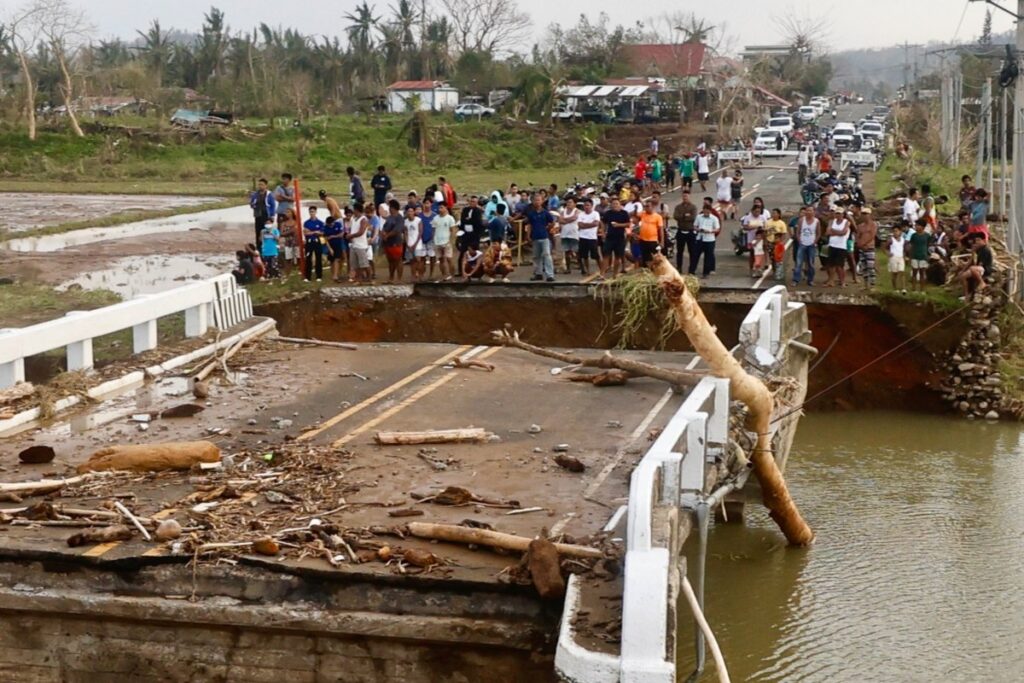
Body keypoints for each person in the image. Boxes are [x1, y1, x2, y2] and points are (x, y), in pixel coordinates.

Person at [525, 194, 555, 282]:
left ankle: (550, 275)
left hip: (544, 237)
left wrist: (548, 228)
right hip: (535, 237)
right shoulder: (531, 214)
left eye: (539, 200)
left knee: (547, 255)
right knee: (536, 256)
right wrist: (528, 235)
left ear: (542, 201)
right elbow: (529, 225)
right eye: (535, 200)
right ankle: (538, 273)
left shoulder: (545, 213)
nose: (537, 202)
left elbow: (552, 222)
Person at [602, 198, 630, 278]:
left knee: (617, 257)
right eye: (613, 204)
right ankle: (602, 274)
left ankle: (615, 274)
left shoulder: (624, 213)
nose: (615, 205)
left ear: (620, 205)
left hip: (620, 237)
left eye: (616, 204)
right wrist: (603, 232)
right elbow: (603, 222)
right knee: (606, 255)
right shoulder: (608, 213)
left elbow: (628, 224)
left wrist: (619, 225)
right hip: (610, 237)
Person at [958, 234, 993, 299]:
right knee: (963, 276)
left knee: (972, 268)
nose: (977, 242)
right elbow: (971, 261)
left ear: (983, 240)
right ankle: (967, 296)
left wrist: (972, 270)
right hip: (976, 268)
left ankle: (982, 282)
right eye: (976, 240)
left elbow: (980, 264)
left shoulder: (985, 250)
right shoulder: (978, 250)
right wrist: (963, 270)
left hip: (985, 269)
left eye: (978, 240)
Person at [792, 206, 819, 286]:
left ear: (814, 212)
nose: (808, 212)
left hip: (811, 244)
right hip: (802, 243)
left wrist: (815, 241)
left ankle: (810, 280)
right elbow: (798, 231)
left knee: (811, 263)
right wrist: (799, 240)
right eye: (807, 210)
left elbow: (818, 233)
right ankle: (796, 280)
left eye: (810, 210)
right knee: (799, 262)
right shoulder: (801, 220)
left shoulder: (817, 221)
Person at [691, 201, 720, 277]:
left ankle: (705, 273)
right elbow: (694, 226)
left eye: (708, 211)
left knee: (708, 257)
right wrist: (698, 229)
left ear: (710, 211)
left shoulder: (714, 218)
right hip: (700, 238)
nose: (706, 212)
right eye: (704, 210)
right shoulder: (699, 217)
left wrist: (710, 231)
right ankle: (692, 271)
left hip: (709, 240)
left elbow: (717, 229)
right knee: (695, 255)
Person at [823, 209, 850, 288]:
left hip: (841, 246)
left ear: (842, 214)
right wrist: (838, 232)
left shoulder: (846, 222)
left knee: (840, 266)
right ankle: (831, 281)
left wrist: (833, 231)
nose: (837, 215)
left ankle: (842, 282)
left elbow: (843, 232)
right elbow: (827, 232)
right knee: (831, 265)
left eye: (839, 213)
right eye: (836, 213)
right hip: (832, 245)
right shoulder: (832, 221)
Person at [673, 190, 698, 273]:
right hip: (680, 230)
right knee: (679, 251)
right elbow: (676, 216)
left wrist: (683, 217)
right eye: (683, 196)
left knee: (692, 251)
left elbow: (693, 217)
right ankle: (679, 267)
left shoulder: (693, 207)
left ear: (689, 196)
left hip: (690, 231)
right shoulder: (678, 207)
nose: (685, 198)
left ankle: (692, 269)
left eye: (686, 196)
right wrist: (685, 215)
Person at [458, 195, 485, 272]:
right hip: (466, 234)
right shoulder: (465, 210)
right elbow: (463, 220)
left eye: (474, 202)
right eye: (471, 201)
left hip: (474, 235)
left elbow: (477, 222)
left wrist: (469, 220)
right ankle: (461, 270)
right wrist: (468, 221)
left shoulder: (478, 211)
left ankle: (476, 270)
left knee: (475, 252)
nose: (472, 203)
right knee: (463, 252)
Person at [381, 199, 405, 282]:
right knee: (391, 261)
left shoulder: (399, 218)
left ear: (393, 208)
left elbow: (397, 230)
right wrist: (383, 233)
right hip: (388, 243)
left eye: (390, 207)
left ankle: (399, 278)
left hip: (396, 242)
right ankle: (391, 277)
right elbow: (385, 227)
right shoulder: (389, 217)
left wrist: (387, 235)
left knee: (398, 260)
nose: (389, 209)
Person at [348, 202, 372, 283]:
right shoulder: (354, 219)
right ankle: (359, 279)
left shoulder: (363, 219)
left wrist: (351, 236)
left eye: (354, 210)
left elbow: (361, 232)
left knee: (364, 264)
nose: (353, 211)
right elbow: (352, 229)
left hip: (361, 245)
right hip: (354, 245)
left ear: (356, 210)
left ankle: (369, 278)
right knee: (356, 265)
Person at [249, 178, 277, 250]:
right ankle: (259, 249)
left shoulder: (269, 194)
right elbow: (251, 204)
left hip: (266, 215)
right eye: (259, 185)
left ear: (266, 186)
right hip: (258, 215)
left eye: (262, 185)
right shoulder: (255, 194)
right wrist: (254, 205)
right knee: (258, 232)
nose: (260, 186)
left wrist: (272, 216)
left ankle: (268, 248)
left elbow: (273, 205)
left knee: (267, 232)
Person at [432, 203, 456, 281]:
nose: (440, 209)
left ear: (446, 208)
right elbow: (433, 230)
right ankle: (444, 275)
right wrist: (434, 240)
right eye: (439, 207)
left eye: (441, 207)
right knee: (441, 259)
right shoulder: (435, 218)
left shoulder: (450, 218)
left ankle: (452, 275)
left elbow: (453, 230)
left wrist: (451, 241)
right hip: (437, 242)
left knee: (449, 259)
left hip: (446, 242)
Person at [577, 198, 601, 276]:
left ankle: (601, 270)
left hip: (592, 237)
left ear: (591, 206)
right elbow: (580, 225)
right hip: (582, 237)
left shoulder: (595, 214)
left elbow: (596, 224)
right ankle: (588, 270)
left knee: (596, 255)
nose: (586, 207)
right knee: (584, 256)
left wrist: (585, 225)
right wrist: (590, 224)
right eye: (585, 205)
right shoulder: (581, 214)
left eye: (588, 205)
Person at [855, 207, 877, 289]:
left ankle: (872, 285)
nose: (864, 216)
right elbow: (857, 236)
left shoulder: (873, 225)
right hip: (862, 248)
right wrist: (859, 244)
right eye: (863, 214)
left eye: (866, 214)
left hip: (869, 247)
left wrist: (863, 244)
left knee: (870, 267)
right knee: (864, 267)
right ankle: (865, 285)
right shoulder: (860, 226)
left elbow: (872, 236)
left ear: (870, 215)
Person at [637, 200, 664, 267]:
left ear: (652, 207)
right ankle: (645, 270)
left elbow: (661, 229)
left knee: (654, 257)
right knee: (644, 256)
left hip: (652, 240)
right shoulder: (643, 214)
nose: (646, 208)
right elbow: (636, 215)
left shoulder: (658, 217)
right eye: (645, 206)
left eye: (648, 206)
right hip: (643, 240)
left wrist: (662, 241)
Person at [302, 206, 326, 282]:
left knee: (318, 258)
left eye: (313, 211)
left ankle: (319, 276)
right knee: (308, 258)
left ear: (316, 212)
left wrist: (313, 232)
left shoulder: (320, 223)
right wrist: (315, 232)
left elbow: (322, 233)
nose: (312, 213)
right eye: (310, 211)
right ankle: (307, 277)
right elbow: (306, 233)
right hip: (309, 241)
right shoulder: (306, 222)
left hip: (317, 241)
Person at [557, 197, 580, 274]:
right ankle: (568, 268)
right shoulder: (563, 211)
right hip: (565, 233)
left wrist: (565, 220)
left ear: (574, 203)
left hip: (574, 233)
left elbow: (574, 218)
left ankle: (581, 266)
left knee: (576, 250)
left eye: (570, 202)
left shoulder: (576, 211)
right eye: (568, 202)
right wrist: (566, 220)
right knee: (567, 251)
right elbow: (560, 220)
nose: (568, 204)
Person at [908, 218, 931, 293]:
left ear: (922, 227)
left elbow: (928, 246)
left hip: (923, 256)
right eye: (916, 225)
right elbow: (911, 246)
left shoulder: (927, 236)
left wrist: (927, 255)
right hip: (915, 255)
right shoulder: (914, 236)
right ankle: (914, 289)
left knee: (922, 273)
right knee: (914, 273)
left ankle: (922, 290)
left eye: (918, 225)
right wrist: (910, 257)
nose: (916, 227)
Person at [765, 208, 788, 281]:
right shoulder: (768, 222)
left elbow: (784, 234)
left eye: (775, 213)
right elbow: (765, 233)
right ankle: (774, 271)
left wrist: (781, 242)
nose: (773, 214)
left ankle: (779, 272)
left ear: (779, 214)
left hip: (777, 243)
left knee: (778, 258)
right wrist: (765, 241)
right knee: (772, 258)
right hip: (770, 242)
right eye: (773, 213)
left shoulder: (781, 223)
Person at [404, 206, 425, 282]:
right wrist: (407, 243)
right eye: (408, 211)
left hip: (418, 244)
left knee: (418, 260)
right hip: (409, 243)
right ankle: (413, 276)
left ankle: (420, 275)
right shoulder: (405, 221)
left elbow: (420, 232)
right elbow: (406, 233)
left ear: (414, 212)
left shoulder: (418, 220)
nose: (409, 213)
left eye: (411, 211)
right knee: (412, 261)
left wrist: (415, 244)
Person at [324, 213, 347, 282]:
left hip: (338, 244)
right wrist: (330, 249)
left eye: (332, 224)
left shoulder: (338, 224)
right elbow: (325, 239)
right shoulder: (325, 228)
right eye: (329, 224)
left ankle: (336, 275)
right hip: (330, 245)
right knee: (332, 260)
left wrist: (333, 236)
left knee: (337, 259)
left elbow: (341, 234)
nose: (331, 225)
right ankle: (333, 274)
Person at [887, 224, 907, 294]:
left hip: (900, 257)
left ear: (900, 232)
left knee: (902, 272)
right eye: (894, 231)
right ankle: (895, 288)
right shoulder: (891, 240)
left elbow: (903, 248)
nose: (895, 233)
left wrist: (904, 256)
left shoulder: (903, 240)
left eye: (897, 231)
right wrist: (888, 253)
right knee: (894, 273)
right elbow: (884, 246)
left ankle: (903, 288)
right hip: (893, 258)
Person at [420, 201, 437, 279]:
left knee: (432, 256)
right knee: (422, 257)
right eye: (425, 203)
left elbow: (436, 228)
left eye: (428, 203)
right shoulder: (420, 216)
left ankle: (432, 273)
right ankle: (422, 273)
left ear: (431, 204)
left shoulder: (435, 216)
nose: (426, 205)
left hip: (431, 239)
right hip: (422, 238)